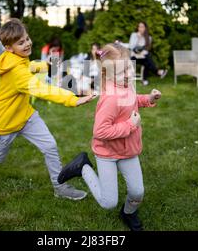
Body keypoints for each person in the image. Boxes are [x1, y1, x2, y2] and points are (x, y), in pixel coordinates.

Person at [0, 18, 96, 201]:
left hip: (26, 116)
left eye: (27, 39)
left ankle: (60, 187)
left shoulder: (17, 58)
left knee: (49, 145)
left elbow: (30, 66)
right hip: (6, 122)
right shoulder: (16, 72)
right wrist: (73, 100)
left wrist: (47, 65)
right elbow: (42, 89)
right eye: (21, 42)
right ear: (9, 47)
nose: (27, 44)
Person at [57, 43, 162, 230]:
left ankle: (128, 213)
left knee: (137, 192)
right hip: (107, 153)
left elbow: (132, 101)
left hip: (128, 150)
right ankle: (83, 167)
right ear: (109, 75)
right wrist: (130, 125)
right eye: (122, 73)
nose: (129, 74)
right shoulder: (110, 98)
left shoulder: (126, 85)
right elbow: (100, 132)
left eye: (129, 67)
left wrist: (148, 99)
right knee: (108, 202)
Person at [129, 21, 167, 85]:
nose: (140, 28)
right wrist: (138, 38)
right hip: (134, 56)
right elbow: (131, 47)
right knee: (147, 58)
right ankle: (157, 72)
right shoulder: (134, 35)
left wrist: (142, 53)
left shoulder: (148, 38)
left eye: (142, 27)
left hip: (142, 57)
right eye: (139, 27)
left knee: (146, 60)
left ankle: (145, 80)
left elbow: (146, 50)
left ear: (145, 28)